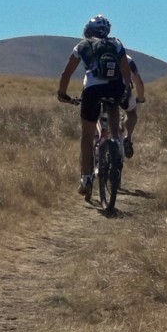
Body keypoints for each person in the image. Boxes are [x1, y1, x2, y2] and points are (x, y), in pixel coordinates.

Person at [57, 14, 134, 198]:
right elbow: (125, 70)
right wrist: (126, 89)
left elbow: (66, 73)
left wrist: (62, 94)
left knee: (87, 135)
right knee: (113, 107)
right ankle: (115, 142)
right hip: (115, 87)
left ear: (87, 30)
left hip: (92, 90)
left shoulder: (81, 46)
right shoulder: (116, 44)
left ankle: (86, 178)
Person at [118, 54, 147, 158]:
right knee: (131, 112)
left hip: (99, 90)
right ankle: (128, 137)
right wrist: (140, 98)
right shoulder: (127, 58)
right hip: (122, 92)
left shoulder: (95, 54)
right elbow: (139, 82)